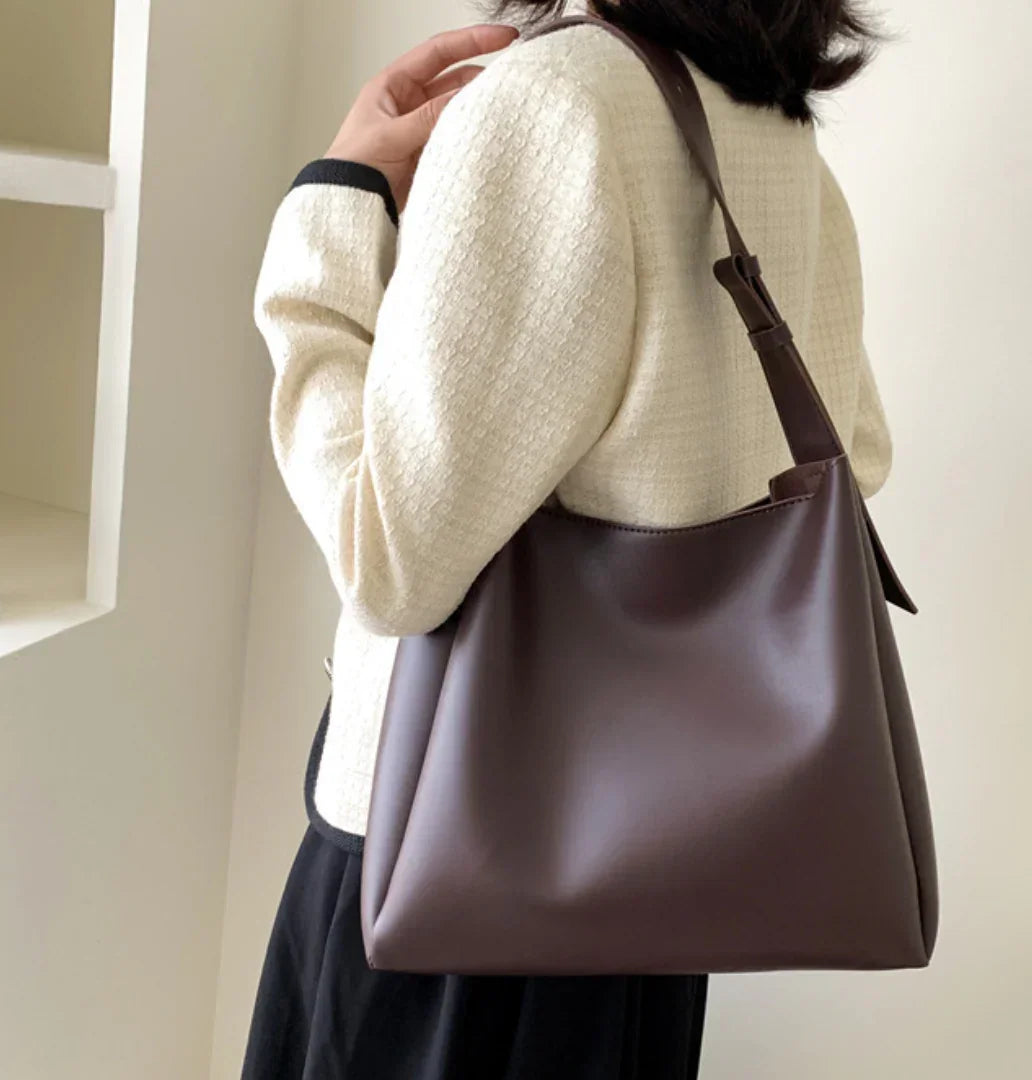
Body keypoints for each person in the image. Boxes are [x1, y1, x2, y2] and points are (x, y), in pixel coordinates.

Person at [241, 2, 891, 1077]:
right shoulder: (768, 123)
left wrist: (337, 208)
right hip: (660, 883)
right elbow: (851, 454)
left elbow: (391, 564)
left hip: (460, 871)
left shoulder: (551, 103)